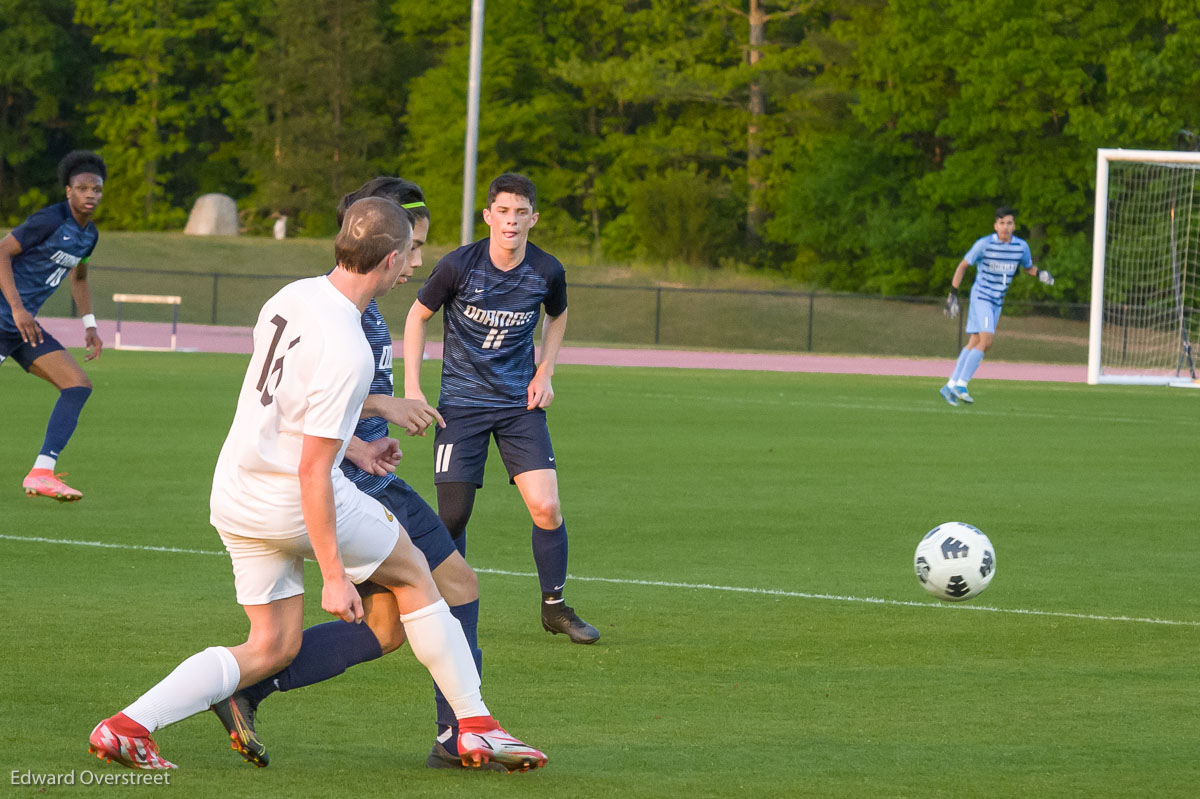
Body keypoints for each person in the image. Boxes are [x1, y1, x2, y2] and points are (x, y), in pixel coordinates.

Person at [87, 197, 546, 773]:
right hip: (294, 497)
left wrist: (357, 441)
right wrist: (333, 575)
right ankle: (475, 727)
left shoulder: (290, 297)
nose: (412, 264)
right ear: (388, 258)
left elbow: (290, 402)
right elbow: (311, 470)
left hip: (236, 494)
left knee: (271, 646)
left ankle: (127, 725)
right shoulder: (350, 347)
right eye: (409, 253)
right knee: (416, 575)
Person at [210, 177, 503, 772]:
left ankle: (249, 687)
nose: (417, 263)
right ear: (388, 246)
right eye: (414, 248)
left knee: (387, 628)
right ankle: (460, 733)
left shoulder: (329, 299)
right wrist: (382, 408)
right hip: (355, 485)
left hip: (356, 471)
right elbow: (315, 404)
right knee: (459, 585)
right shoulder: (354, 312)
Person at [404, 172, 599, 644]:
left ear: (534, 218)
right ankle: (446, 606)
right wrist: (412, 388)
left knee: (546, 506)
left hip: (518, 407)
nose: (512, 221)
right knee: (452, 518)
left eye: (521, 212)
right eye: (503, 212)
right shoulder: (458, 265)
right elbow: (417, 316)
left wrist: (545, 370)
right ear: (489, 216)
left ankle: (554, 607)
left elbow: (559, 313)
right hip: (461, 408)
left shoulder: (547, 270)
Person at [0, 150, 106, 501]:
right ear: (68, 192)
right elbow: (1, 251)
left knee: (77, 385)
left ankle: (42, 472)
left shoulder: (88, 236)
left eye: (97, 189)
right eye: (82, 188)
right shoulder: (49, 221)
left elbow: (79, 278)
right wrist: (17, 308)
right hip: (8, 318)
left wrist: (89, 325)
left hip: (22, 329)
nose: (90, 194)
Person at [940, 206, 1054, 406]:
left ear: (1014, 226)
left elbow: (1027, 267)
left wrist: (1039, 274)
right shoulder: (983, 245)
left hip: (997, 300)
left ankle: (949, 386)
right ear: (995, 225)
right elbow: (963, 265)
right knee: (986, 341)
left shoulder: (1021, 246)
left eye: (1009, 223)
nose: (1006, 227)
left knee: (975, 340)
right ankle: (961, 384)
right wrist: (953, 295)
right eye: (1002, 223)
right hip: (981, 296)